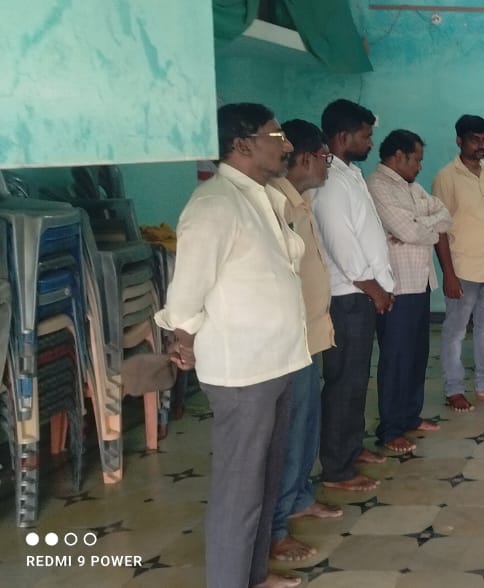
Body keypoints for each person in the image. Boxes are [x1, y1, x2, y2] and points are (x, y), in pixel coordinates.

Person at [155, 103, 308, 588]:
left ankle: (253, 575)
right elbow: (186, 293)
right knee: (239, 490)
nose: (286, 145)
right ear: (243, 144)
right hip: (243, 371)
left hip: (278, 360)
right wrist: (182, 337)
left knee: (265, 479)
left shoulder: (261, 196)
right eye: (277, 136)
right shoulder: (215, 204)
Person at [266, 119, 344, 564]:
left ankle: (298, 498)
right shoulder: (275, 204)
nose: (327, 165)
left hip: (310, 333)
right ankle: (276, 528)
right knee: (288, 434)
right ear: (305, 158)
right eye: (324, 157)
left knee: (305, 426)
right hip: (289, 339)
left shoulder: (301, 200)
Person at [311, 98, 392, 492]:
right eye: (366, 135)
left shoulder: (350, 174)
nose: (371, 142)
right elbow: (342, 244)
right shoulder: (329, 182)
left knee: (358, 380)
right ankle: (337, 468)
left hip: (361, 294)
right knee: (344, 381)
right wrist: (375, 289)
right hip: (348, 297)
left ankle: (352, 446)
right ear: (343, 137)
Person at [368, 129, 452, 455]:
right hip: (397, 286)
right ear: (398, 156)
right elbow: (407, 230)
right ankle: (390, 429)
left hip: (421, 282)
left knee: (417, 355)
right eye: (416, 159)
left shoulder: (413, 187)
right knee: (396, 358)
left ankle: (409, 416)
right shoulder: (377, 186)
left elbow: (445, 216)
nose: (420, 166)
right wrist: (420, 227)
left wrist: (419, 227)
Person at [434, 114, 484, 412]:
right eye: (474, 140)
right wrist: (448, 274)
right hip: (463, 269)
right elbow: (439, 229)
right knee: (456, 331)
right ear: (459, 141)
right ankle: (454, 388)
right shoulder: (446, 177)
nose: (481, 145)